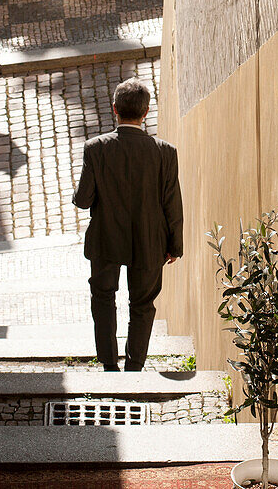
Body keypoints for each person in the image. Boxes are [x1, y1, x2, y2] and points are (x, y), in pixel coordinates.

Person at [72, 77, 183, 372]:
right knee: (143, 304)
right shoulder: (165, 152)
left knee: (103, 298)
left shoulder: (95, 148)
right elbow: (172, 203)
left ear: (114, 110)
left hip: (106, 239)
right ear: (146, 113)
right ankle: (134, 367)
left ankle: (109, 363)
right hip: (150, 240)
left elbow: (83, 200)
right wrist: (175, 245)